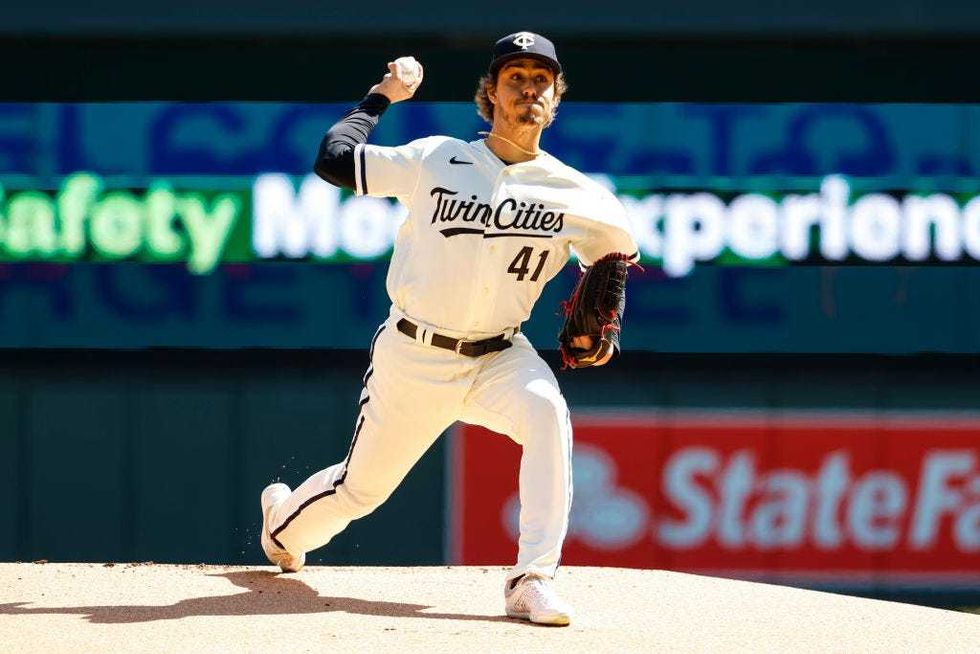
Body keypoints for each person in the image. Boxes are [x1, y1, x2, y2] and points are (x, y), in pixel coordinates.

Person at [259, 31, 638, 626]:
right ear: (490, 92)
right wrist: (381, 97)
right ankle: (281, 522)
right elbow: (333, 160)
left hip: (500, 356)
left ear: (555, 98)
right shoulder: (436, 159)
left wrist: (600, 323)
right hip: (415, 353)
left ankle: (532, 578)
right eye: (516, 77)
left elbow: (614, 258)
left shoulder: (578, 194)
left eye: (542, 80)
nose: (530, 89)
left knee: (547, 415)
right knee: (361, 492)